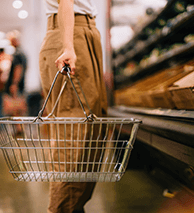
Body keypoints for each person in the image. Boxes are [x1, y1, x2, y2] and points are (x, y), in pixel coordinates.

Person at [39, 1, 108, 213]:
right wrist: (68, 45)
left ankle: (74, 207)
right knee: (72, 133)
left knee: (92, 129)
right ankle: (62, 210)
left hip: (82, 33)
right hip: (71, 33)